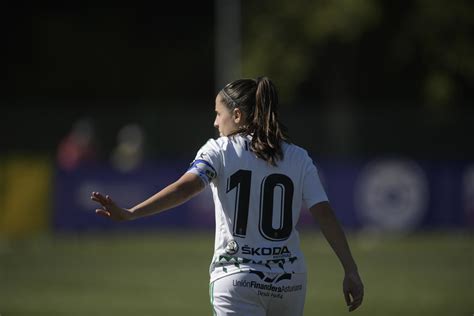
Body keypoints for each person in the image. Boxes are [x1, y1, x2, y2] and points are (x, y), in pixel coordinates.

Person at [91, 76, 364, 315]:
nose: (214, 121)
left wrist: (132, 212)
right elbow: (324, 214)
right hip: (289, 282)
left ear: (236, 115)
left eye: (217, 113)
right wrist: (350, 268)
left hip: (236, 278)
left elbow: (185, 188)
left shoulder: (218, 151)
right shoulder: (298, 157)